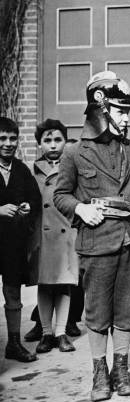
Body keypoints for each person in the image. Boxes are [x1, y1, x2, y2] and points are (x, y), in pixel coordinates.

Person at [54, 71, 130, 402]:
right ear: (100, 110)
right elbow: (61, 195)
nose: (126, 117)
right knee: (97, 312)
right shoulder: (74, 152)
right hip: (97, 243)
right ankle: (99, 374)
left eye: (127, 110)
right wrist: (81, 210)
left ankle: (121, 369)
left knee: (125, 310)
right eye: (120, 110)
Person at [29, 119, 79, 354]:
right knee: (45, 283)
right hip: (42, 234)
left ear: (65, 142)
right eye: (47, 140)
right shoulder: (32, 170)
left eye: (57, 140)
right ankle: (46, 332)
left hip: (66, 233)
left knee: (64, 284)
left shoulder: (71, 166)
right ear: (39, 144)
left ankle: (61, 333)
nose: (52, 145)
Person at [0, 116, 41, 363]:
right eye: (2, 138)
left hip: (12, 244)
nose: (8, 143)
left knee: (12, 293)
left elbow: (34, 200)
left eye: (12, 138)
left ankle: (13, 344)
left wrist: (27, 206)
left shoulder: (21, 170)